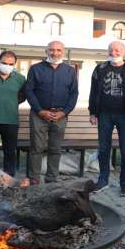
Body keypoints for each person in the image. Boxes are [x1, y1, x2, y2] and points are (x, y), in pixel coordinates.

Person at [88, 41, 125, 197]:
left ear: (124, 51)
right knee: (103, 149)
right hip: (104, 115)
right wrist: (92, 112)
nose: (114, 52)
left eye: (117, 50)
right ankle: (103, 180)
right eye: (111, 50)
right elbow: (93, 92)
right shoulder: (100, 68)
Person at [25, 41, 78, 184]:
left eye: (58, 50)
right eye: (51, 50)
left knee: (55, 148)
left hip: (60, 115)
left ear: (63, 51)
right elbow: (29, 91)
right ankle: (34, 178)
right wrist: (40, 110)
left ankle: (52, 178)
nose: (55, 53)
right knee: (37, 147)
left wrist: (65, 112)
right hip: (39, 115)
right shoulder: (35, 69)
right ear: (46, 51)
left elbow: (73, 94)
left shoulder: (70, 71)